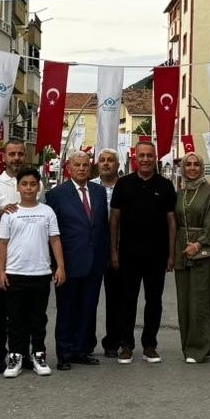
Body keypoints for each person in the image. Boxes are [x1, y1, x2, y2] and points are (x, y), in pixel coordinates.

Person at [109, 140, 177, 364]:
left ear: (155, 158)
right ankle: (126, 345)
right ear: (135, 158)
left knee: (154, 301)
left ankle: (150, 345)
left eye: (150, 155)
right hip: (128, 254)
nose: (146, 159)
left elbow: (171, 221)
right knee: (127, 301)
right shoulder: (123, 184)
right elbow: (114, 220)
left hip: (157, 255)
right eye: (142, 155)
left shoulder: (165, 185)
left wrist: (171, 254)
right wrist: (114, 252)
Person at [0, 168, 66, 378]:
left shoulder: (47, 212)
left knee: (38, 318)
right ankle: (16, 356)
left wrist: (60, 266)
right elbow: (2, 243)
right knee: (15, 319)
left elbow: (55, 239)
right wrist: (0, 271)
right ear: (18, 187)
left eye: (32, 184)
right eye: (24, 184)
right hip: (15, 273)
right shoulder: (10, 213)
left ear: (39, 187)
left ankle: (38, 355)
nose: (28, 188)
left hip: (40, 273)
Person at [45, 151, 109, 370]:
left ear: (90, 168)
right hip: (69, 263)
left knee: (89, 309)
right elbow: (52, 232)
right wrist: (57, 264)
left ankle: (82, 350)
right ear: (69, 168)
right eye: (77, 165)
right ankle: (64, 353)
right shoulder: (57, 194)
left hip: (95, 262)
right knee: (67, 310)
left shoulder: (99, 192)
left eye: (85, 165)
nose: (81, 168)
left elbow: (102, 227)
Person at [172, 153, 210, 364]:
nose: (192, 168)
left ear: (202, 168)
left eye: (196, 164)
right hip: (181, 251)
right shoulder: (180, 192)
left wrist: (198, 244)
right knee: (184, 302)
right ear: (183, 168)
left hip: (203, 252)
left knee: (199, 302)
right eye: (188, 164)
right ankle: (189, 345)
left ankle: (198, 348)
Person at [0, 140, 28, 375]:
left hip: (27, 258)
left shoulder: (35, 182)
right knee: (0, 312)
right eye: (12, 154)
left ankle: (21, 353)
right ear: (4, 156)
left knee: (24, 311)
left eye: (20, 153)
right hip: (3, 257)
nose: (16, 158)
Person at [93, 149, 124, 358]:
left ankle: (113, 341)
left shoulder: (125, 186)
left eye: (110, 160)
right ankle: (85, 342)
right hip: (94, 248)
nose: (106, 163)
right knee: (89, 298)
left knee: (116, 299)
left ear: (117, 165)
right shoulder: (90, 186)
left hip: (118, 248)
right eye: (102, 160)